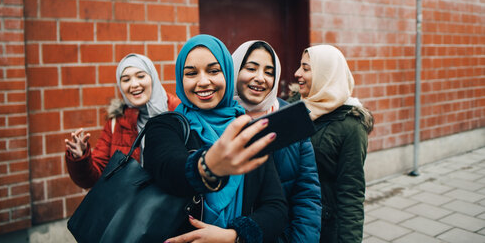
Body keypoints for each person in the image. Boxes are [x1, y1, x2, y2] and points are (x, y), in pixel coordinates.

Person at [143, 34, 288, 243]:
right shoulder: (165, 126)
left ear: (228, 75)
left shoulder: (248, 131)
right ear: (180, 78)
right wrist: (207, 166)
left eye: (213, 71)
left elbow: (276, 208)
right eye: (191, 73)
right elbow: (168, 168)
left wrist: (234, 236)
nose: (203, 82)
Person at [231, 40, 322, 243]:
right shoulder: (219, 120)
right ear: (234, 69)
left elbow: (307, 193)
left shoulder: (291, 119)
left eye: (269, 72)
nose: (260, 78)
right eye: (251, 68)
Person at [290, 44, 374, 243]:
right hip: (290, 216)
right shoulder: (295, 107)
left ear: (326, 75)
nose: (297, 73)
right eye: (300, 66)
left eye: (306, 68)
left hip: (324, 228)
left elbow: (350, 193)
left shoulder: (352, 127)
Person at [65, 53, 180, 189]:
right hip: (133, 208)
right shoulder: (117, 122)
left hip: (172, 206)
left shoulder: (178, 113)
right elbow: (94, 177)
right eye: (126, 80)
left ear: (152, 77)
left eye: (141, 76)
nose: (134, 84)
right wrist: (81, 158)